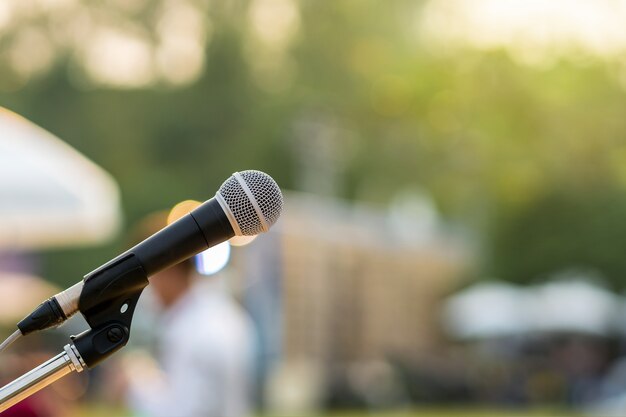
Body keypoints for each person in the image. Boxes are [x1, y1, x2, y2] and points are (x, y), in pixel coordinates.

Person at [122, 212, 255, 417]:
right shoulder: (220, 313)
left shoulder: (193, 330)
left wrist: (134, 381)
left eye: (145, 276)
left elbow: (180, 411)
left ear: (167, 270)